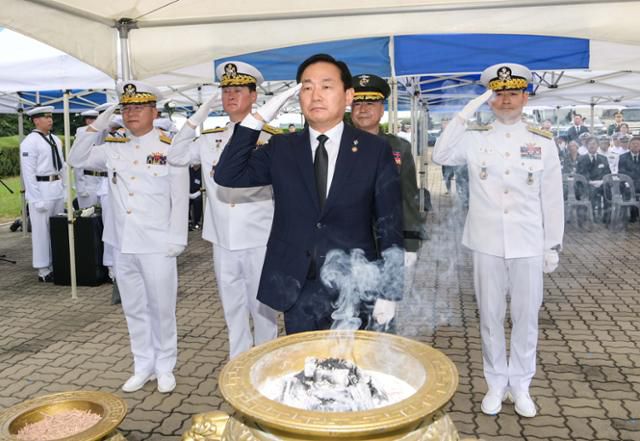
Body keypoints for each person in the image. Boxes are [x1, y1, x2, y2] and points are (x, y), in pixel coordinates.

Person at [214, 53, 404, 334]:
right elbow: (228, 174)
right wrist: (257, 119)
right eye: (307, 87)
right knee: (303, 359)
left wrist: (390, 290)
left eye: (326, 86)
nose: (316, 95)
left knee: (352, 360)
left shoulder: (373, 149)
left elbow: (390, 222)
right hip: (297, 286)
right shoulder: (282, 148)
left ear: (348, 95)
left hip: (354, 285)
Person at [433, 62, 564, 418]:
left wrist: (552, 244)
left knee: (526, 317)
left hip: (528, 242)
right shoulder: (474, 136)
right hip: (486, 241)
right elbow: (440, 154)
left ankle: (520, 385)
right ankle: (495, 382)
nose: (506, 99)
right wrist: (466, 112)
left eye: (513, 93)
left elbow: (552, 197)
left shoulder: (542, 141)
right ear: (490, 99)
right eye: (499, 93)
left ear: (525, 97)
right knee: (490, 316)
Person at [68, 81, 189, 393]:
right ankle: (142, 365)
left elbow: (180, 198)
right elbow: (76, 159)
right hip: (122, 242)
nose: (131, 113)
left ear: (154, 112)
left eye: (138, 107)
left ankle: (165, 366)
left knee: (162, 308)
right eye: (126, 108)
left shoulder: (169, 146)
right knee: (133, 308)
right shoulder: (113, 145)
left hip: (158, 243)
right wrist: (97, 125)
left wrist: (177, 238)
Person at [168, 61, 279, 358]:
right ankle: (238, 362)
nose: (230, 95)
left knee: (264, 309)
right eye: (226, 90)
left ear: (254, 96)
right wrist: (197, 117)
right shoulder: (209, 138)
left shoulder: (271, 138)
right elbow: (175, 156)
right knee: (232, 308)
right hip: (222, 238)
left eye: (238, 90)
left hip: (259, 237)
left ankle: (266, 362)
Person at [350, 74, 423, 263]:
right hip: (346, 243)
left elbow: (408, 198)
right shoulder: (336, 145)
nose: (363, 109)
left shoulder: (399, 147)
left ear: (382, 109)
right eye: (357, 104)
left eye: (370, 103)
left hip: (388, 241)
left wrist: (410, 243)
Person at [20, 106, 66, 282]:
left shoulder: (55, 139)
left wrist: (65, 188)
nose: (50, 120)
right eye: (46, 117)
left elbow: (62, 165)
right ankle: (43, 269)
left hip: (56, 188)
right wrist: (35, 198)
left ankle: (56, 264)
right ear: (36, 120)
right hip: (41, 189)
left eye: (51, 117)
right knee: (41, 232)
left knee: (56, 230)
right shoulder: (29, 142)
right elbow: (28, 173)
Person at [73, 109, 104, 209]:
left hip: (101, 179)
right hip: (88, 181)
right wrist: (81, 187)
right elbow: (77, 163)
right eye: (92, 119)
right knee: (88, 213)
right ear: (87, 121)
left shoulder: (101, 134)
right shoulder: (82, 134)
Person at [577, 136, 611, 222]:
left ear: (598, 145)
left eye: (594, 144)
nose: (592, 146)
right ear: (586, 146)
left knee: (608, 190)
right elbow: (581, 173)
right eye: (590, 144)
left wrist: (602, 181)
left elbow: (607, 172)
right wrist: (590, 182)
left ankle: (607, 217)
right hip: (588, 184)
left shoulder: (603, 158)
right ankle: (591, 216)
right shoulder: (581, 158)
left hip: (601, 183)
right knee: (591, 191)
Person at [614, 136, 640, 221]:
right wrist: (633, 178)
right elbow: (621, 171)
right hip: (627, 183)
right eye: (633, 144)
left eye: (638, 144)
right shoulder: (623, 157)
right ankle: (631, 215)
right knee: (628, 189)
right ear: (629, 145)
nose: (635, 145)